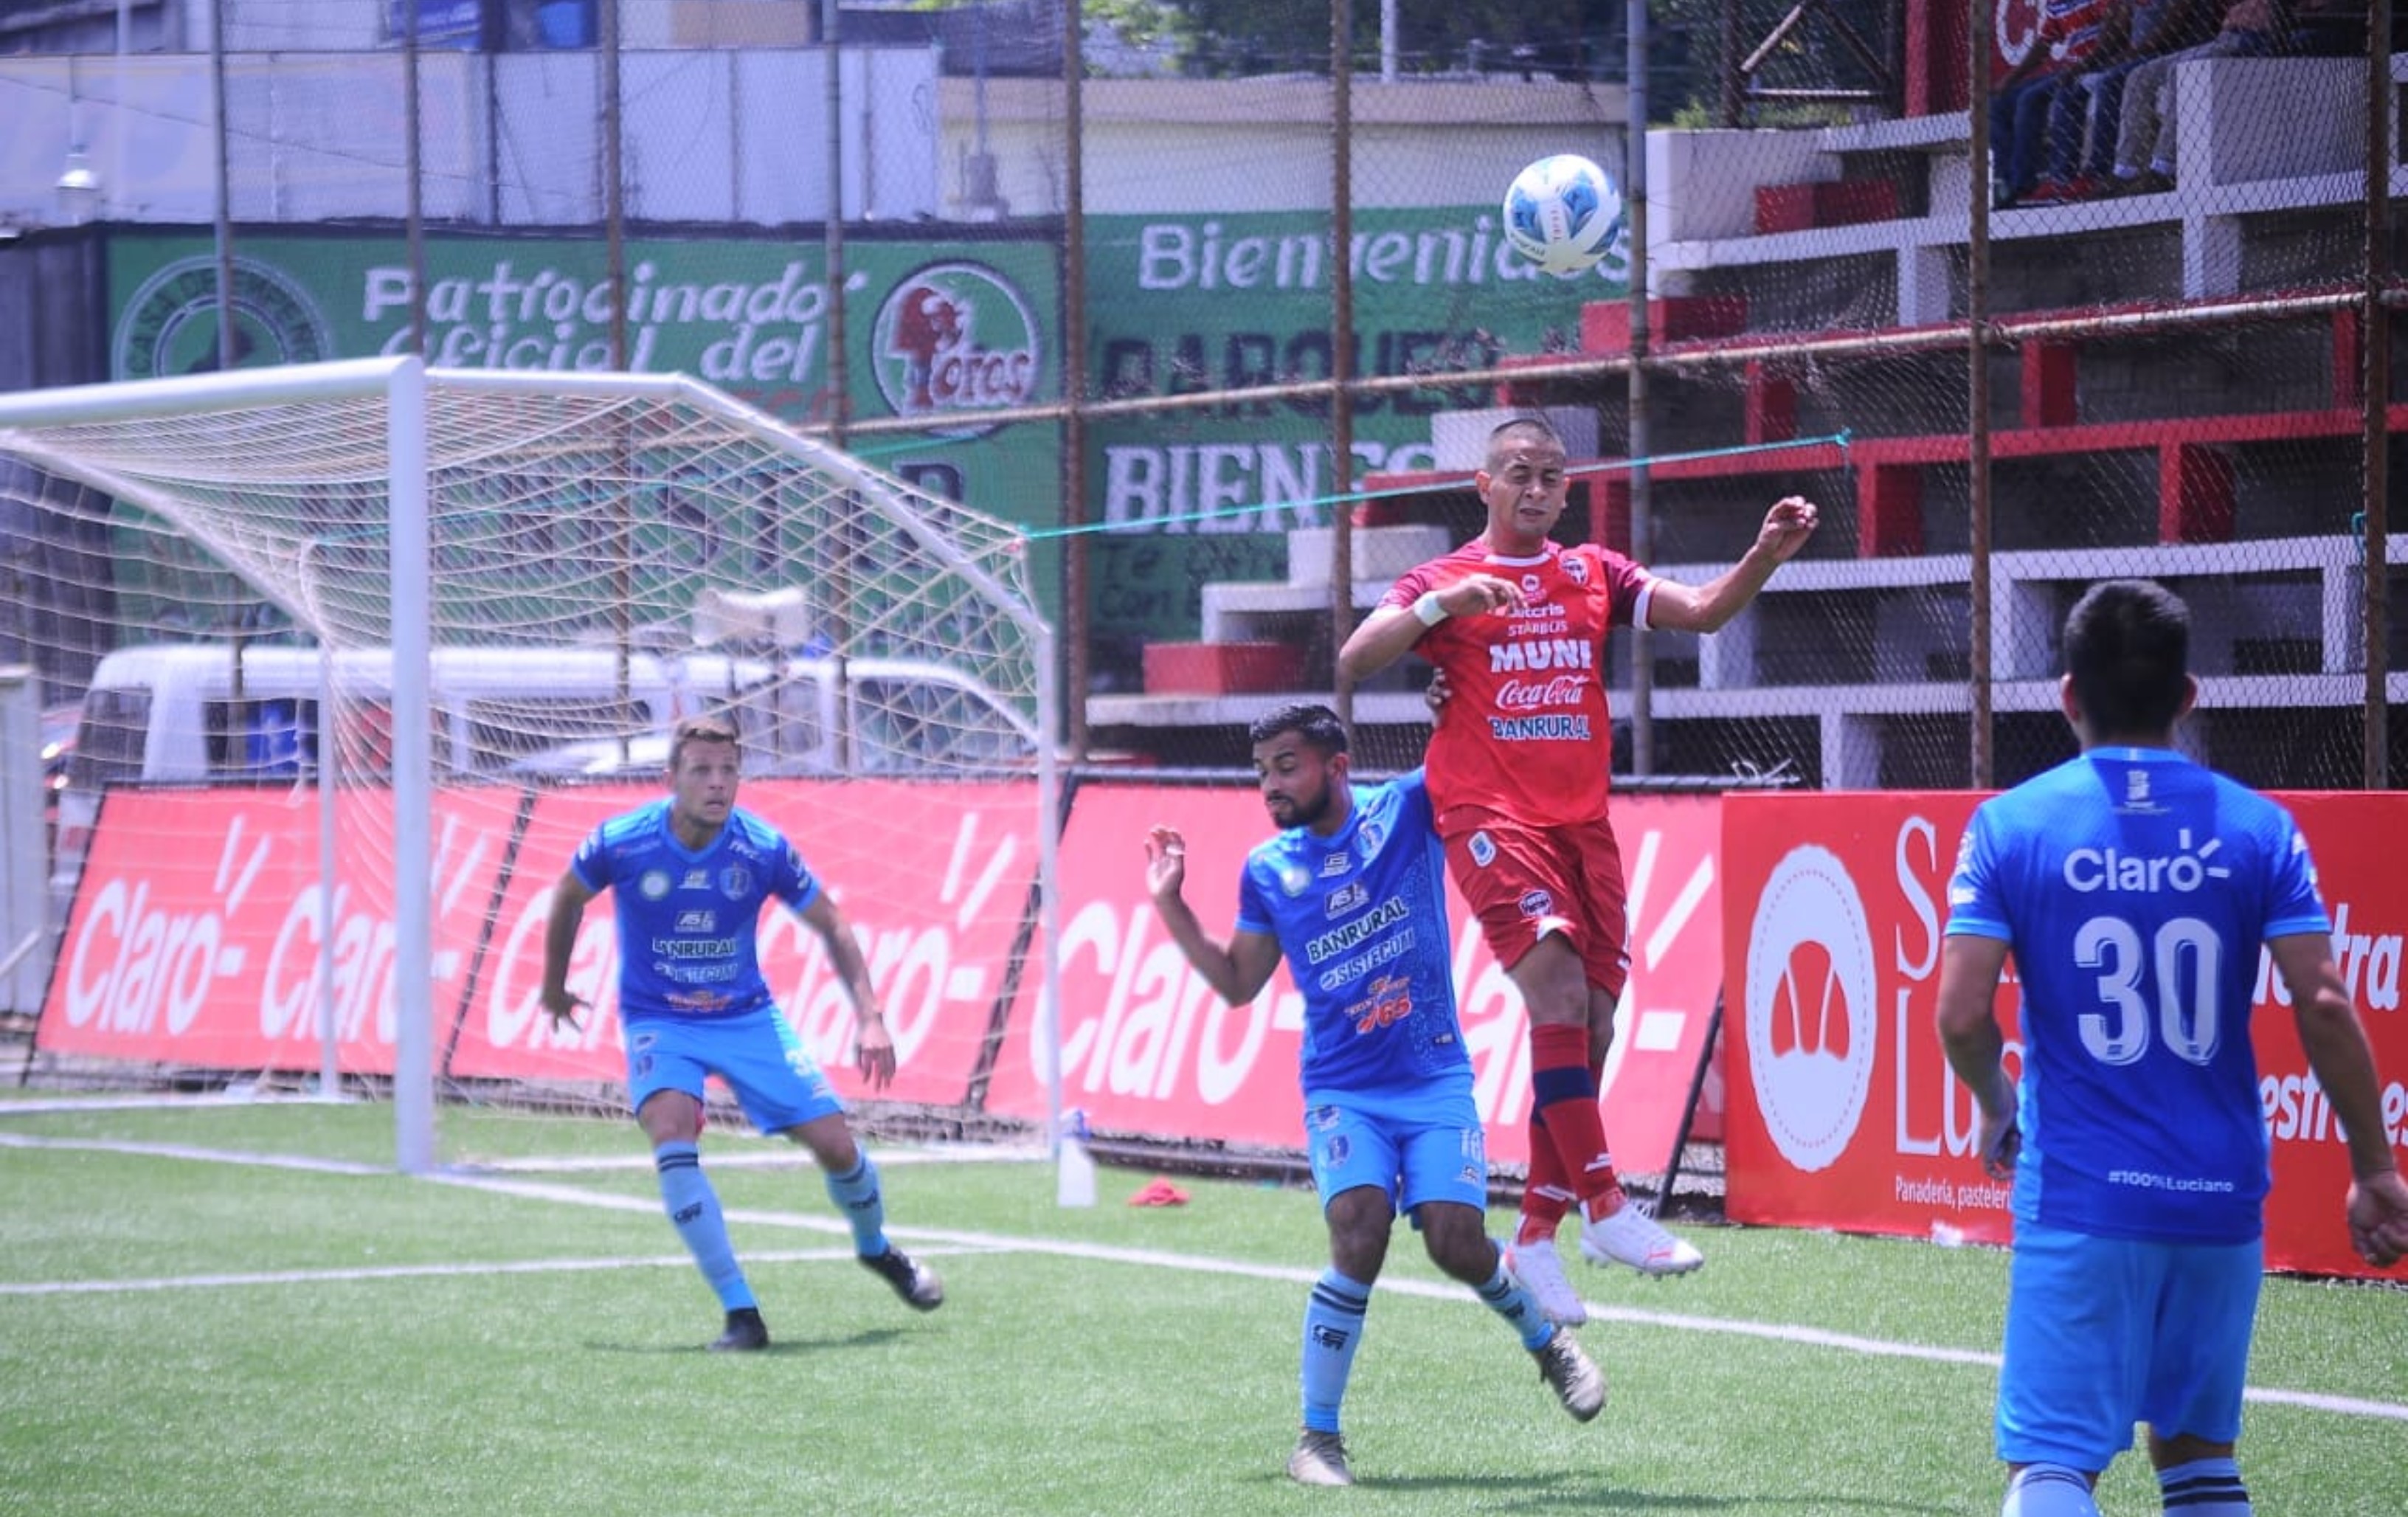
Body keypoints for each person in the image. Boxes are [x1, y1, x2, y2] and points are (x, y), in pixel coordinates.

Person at [1934, 579, 2408, 1517]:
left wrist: (1997, 1101)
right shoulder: (2260, 827)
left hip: (2081, 1193)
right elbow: (2322, 999)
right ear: (2189, 696)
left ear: (2067, 694)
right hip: (2219, 1195)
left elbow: (1960, 1014)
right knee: (2198, 1464)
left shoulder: (2012, 824)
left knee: (2056, 1466)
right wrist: (2374, 1166)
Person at [1336, 415, 1819, 1324]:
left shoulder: (1591, 571)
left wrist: (1767, 553)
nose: (1538, 489)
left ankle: (1536, 1234)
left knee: (1591, 1030)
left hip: (1584, 825)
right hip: (1489, 815)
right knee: (1556, 998)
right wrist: (1448, 608)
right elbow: (1357, 658)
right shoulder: (1444, 580)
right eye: (1520, 472)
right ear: (1484, 486)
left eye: (1553, 477)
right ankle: (1607, 1204)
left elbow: (1704, 610)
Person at [1144, 702, 1605, 1488]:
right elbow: (1236, 984)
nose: (1272, 786)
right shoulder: (1268, 868)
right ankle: (1316, 1440)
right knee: (1359, 1229)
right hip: (1343, 1090)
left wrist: (1454, 693)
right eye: (1261, 772)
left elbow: (1472, 751)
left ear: (1337, 764)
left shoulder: (1409, 808)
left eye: (1286, 766)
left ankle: (1547, 1345)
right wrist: (1171, 905)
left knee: (1455, 1242)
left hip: (1433, 1078)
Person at [539, 713, 944, 1351]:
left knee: (837, 1145)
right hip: (661, 1019)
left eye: (728, 770)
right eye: (701, 770)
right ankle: (741, 1313)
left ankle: (877, 1249)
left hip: (746, 1016)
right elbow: (566, 898)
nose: (717, 783)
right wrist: (553, 987)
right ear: (671, 778)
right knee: (671, 1131)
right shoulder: (623, 841)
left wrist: (870, 1015)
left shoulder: (760, 849)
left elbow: (833, 924)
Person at [2109, 0, 2288, 190]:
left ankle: (2164, 168)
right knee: (2139, 76)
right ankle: (2125, 170)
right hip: (2224, 37)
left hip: (2253, 37)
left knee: (2179, 71)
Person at [1990, 0, 2117, 208]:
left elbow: (2113, 30)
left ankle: (2032, 183)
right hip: (2069, 67)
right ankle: (2004, 183)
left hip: (2097, 64)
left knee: (2030, 99)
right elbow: (2045, 42)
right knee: (1997, 103)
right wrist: (2009, 79)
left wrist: (2082, 66)